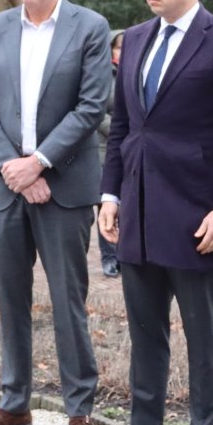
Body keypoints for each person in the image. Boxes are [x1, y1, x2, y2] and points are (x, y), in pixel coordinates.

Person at [99, 0, 213, 425]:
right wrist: (109, 195)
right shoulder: (138, 39)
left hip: (197, 220)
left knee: (203, 345)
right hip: (138, 220)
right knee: (146, 343)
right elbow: (122, 127)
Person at [0, 0, 111, 425]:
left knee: (68, 301)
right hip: (6, 189)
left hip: (65, 187)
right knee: (10, 298)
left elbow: (92, 105)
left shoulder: (89, 27)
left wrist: (41, 162)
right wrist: (16, 167)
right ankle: (14, 405)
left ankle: (79, 411)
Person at [94, 29, 126, 277]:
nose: (123, 52)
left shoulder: (136, 72)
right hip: (106, 150)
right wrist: (119, 130)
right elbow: (96, 112)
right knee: (107, 204)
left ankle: (125, 252)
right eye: (118, 48)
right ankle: (109, 257)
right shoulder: (102, 76)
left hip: (133, 151)